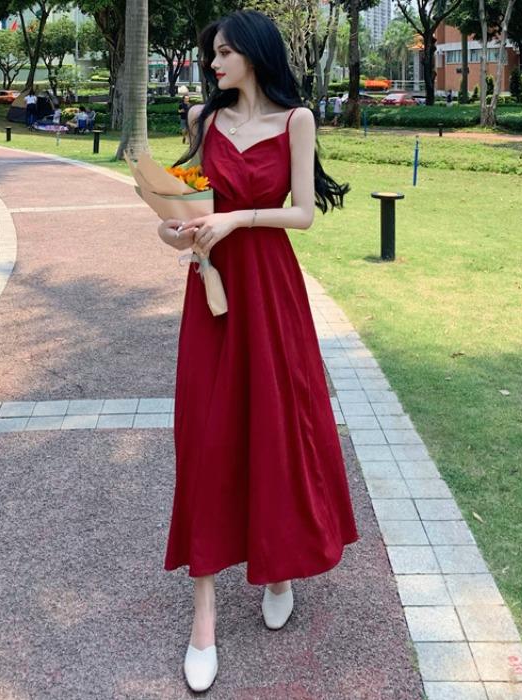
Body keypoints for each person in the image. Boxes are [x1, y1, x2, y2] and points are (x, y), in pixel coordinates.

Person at [156, 10, 359, 693]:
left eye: (223, 53)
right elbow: (183, 208)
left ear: (253, 54)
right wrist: (176, 232)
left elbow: (302, 213)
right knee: (205, 438)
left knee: (275, 426)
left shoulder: (297, 120)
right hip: (212, 294)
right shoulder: (201, 121)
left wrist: (239, 217)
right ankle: (204, 617)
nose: (213, 64)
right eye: (211, 54)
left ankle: (278, 566)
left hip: (271, 290)